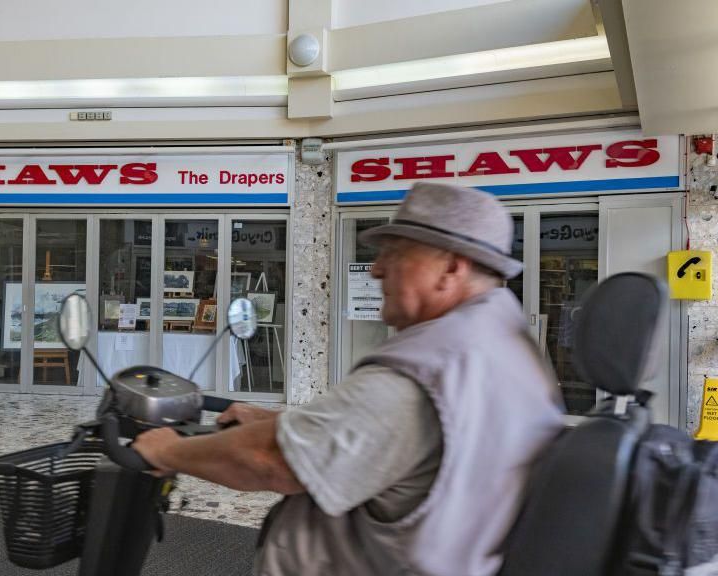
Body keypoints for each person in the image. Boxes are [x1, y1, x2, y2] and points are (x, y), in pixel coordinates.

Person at [132, 182, 565, 576]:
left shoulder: (434, 364)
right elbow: (408, 447)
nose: (376, 270)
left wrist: (169, 450)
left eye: (394, 254)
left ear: (451, 268)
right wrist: (273, 419)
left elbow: (275, 461)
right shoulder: (503, 346)